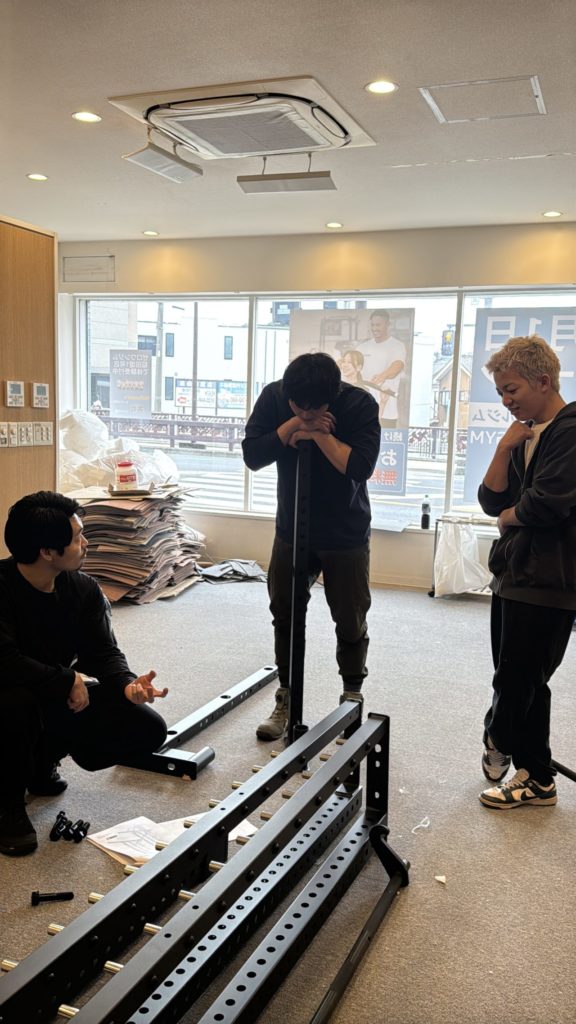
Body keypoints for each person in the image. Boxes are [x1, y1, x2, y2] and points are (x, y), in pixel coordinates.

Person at [0, 491, 169, 856]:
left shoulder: (82, 588)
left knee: (148, 728)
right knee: (16, 703)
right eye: (78, 537)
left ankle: (41, 762)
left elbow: (102, 652)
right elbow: (4, 661)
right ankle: (7, 803)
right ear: (47, 551)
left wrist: (127, 685)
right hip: (7, 695)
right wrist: (68, 679)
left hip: (48, 690)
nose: (86, 543)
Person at [242, 352, 381, 741]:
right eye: (296, 407)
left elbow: (360, 467)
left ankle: (351, 697)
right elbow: (253, 455)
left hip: (345, 531)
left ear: (332, 397)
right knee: (285, 613)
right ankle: (286, 696)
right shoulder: (274, 397)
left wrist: (320, 435)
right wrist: (291, 426)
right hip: (292, 528)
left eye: (313, 409)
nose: (305, 413)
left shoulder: (359, 404)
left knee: (350, 618)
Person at [477, 335, 576, 809]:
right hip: (513, 574)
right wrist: (503, 448)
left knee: (518, 682)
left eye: (511, 389)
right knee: (524, 680)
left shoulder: (570, 431)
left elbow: (545, 504)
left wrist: (507, 517)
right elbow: (491, 500)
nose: (506, 400)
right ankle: (537, 777)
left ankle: (498, 736)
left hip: (550, 580)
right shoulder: (525, 433)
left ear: (543, 380)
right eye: (500, 392)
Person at [357, 309, 407, 427]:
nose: (375, 328)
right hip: (363, 409)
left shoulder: (397, 346)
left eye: (378, 325)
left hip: (386, 412)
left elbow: (397, 365)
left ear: (388, 324)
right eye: (372, 325)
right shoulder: (362, 347)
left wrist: (382, 376)